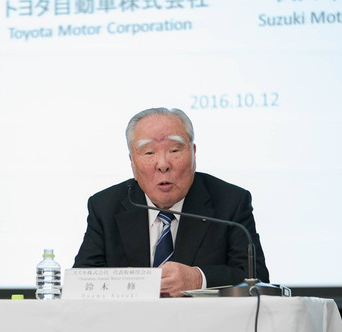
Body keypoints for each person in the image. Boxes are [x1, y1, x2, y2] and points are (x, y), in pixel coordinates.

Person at [73, 107, 269, 297]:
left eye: (175, 150)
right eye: (149, 153)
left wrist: (198, 279)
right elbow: (81, 282)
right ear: (132, 162)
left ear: (193, 154)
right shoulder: (105, 207)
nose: (163, 165)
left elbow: (256, 277)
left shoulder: (230, 202)